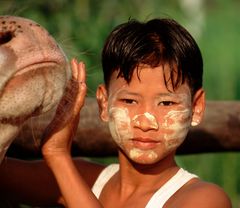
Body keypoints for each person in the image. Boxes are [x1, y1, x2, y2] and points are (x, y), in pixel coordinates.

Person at [0, 18, 232, 208]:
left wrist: (58, 156)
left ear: (197, 107)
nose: (145, 121)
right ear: (103, 103)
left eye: (166, 104)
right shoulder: (85, 179)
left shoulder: (204, 199)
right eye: (129, 100)